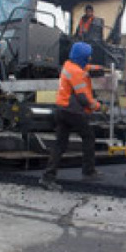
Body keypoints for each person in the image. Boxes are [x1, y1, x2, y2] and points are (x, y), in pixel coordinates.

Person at [41, 42, 104, 190]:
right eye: (88, 56)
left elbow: (86, 68)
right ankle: (88, 171)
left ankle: (48, 176)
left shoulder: (68, 66)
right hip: (73, 111)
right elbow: (82, 98)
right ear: (82, 57)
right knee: (88, 137)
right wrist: (96, 105)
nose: (89, 59)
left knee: (60, 144)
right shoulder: (76, 72)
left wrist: (98, 69)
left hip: (62, 109)